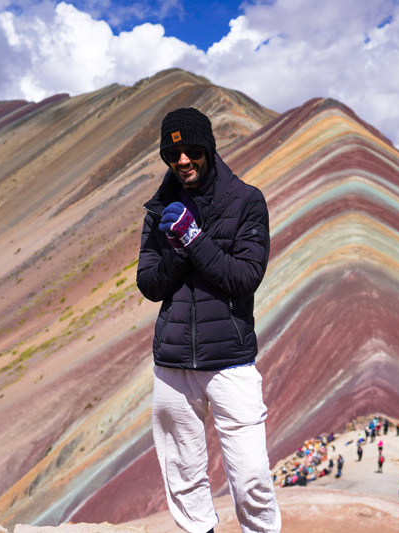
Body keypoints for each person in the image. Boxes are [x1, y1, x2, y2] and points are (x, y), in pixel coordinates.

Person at [137, 107, 280, 533]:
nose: (182, 161)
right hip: (173, 362)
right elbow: (149, 284)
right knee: (182, 475)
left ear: (210, 149)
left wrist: (192, 239)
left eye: (192, 150)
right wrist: (178, 248)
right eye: (172, 154)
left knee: (251, 474)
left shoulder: (246, 200)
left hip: (231, 360)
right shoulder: (159, 207)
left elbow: (244, 277)